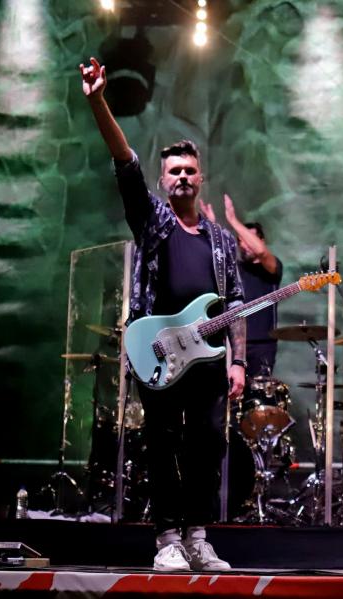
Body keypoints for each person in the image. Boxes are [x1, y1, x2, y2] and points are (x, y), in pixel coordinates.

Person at [80, 57, 246, 572]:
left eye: (189, 171)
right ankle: (167, 537)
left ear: (201, 178)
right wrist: (98, 101)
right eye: (174, 171)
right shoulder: (154, 220)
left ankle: (198, 536)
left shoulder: (221, 241)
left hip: (208, 360)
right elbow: (125, 162)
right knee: (161, 444)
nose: (182, 178)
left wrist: (239, 361)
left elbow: (236, 304)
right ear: (163, 179)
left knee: (207, 448)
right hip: (159, 352)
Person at [201, 196, 283, 379]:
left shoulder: (272, 268)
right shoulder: (236, 268)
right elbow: (218, 253)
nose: (244, 245)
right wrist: (212, 226)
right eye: (240, 240)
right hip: (234, 343)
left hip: (262, 344)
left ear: (261, 240)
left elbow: (261, 251)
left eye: (248, 239)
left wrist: (233, 220)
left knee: (258, 393)